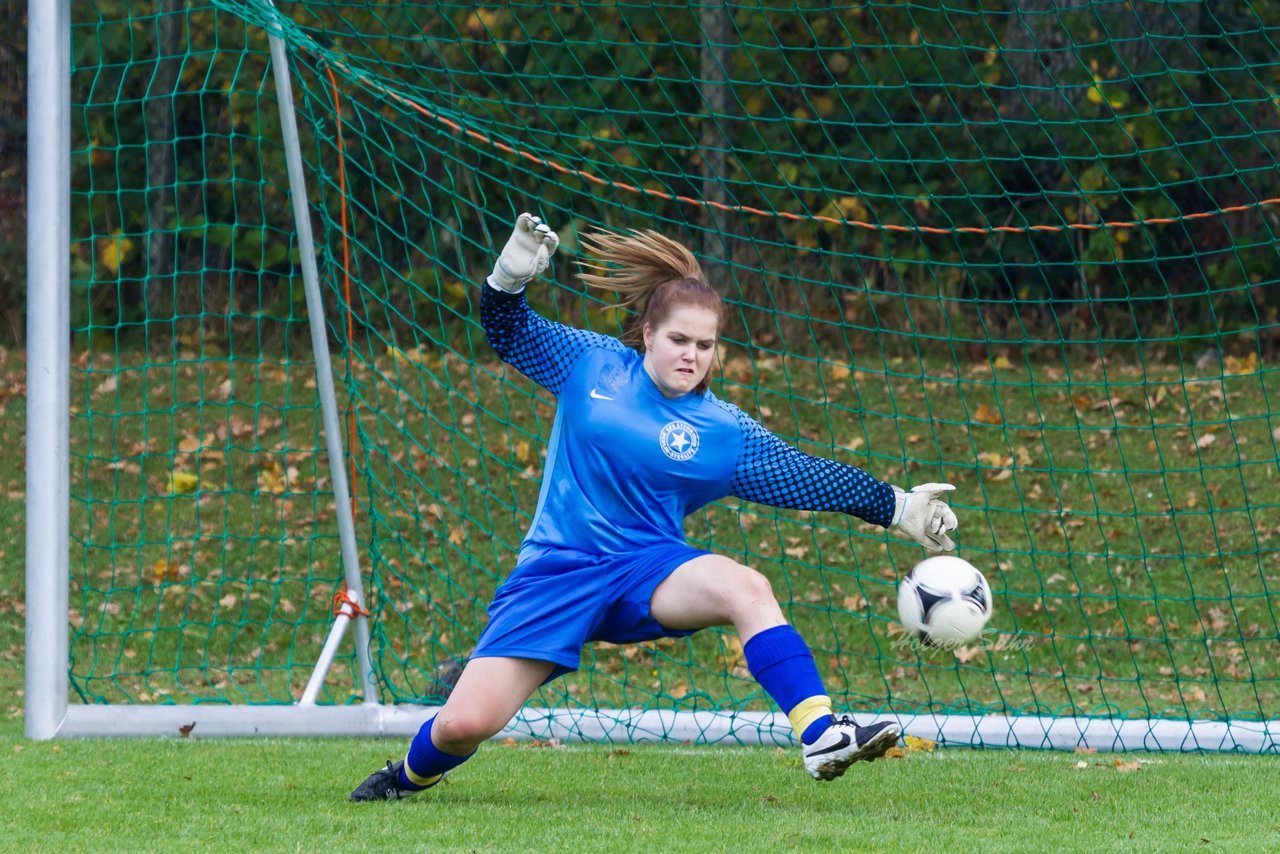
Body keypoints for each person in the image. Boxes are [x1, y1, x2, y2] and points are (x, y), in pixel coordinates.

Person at [350, 213, 959, 801]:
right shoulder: (589, 362)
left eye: (706, 345)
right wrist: (508, 279)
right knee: (465, 725)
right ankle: (406, 777)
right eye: (678, 340)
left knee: (745, 586)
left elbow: (805, 476)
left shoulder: (724, 432)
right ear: (647, 334)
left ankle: (822, 736)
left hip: (649, 569)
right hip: (557, 572)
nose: (692, 356)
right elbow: (508, 331)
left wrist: (900, 507)